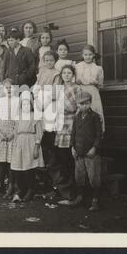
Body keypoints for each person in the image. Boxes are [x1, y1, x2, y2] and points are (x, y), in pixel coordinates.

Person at [70, 90, 102, 211]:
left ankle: (95, 200)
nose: (84, 106)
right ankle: (80, 197)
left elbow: (99, 135)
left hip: (90, 153)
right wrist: (72, 147)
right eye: (81, 104)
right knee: (79, 176)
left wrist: (94, 148)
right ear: (77, 104)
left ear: (90, 103)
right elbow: (73, 133)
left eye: (87, 103)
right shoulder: (76, 117)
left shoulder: (95, 117)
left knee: (93, 177)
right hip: (78, 152)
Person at [51, 65, 80, 199]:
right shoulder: (59, 88)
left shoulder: (76, 88)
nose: (66, 75)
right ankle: (63, 189)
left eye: (69, 73)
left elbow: (77, 107)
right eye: (64, 73)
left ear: (73, 75)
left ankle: (72, 189)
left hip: (71, 122)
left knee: (70, 157)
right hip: (60, 123)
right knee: (61, 157)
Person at [10, 94, 44, 202]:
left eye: (27, 104)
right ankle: (21, 189)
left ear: (31, 105)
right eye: (23, 104)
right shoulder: (18, 116)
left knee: (29, 167)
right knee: (18, 167)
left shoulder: (35, 116)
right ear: (20, 105)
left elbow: (39, 131)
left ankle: (31, 189)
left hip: (30, 142)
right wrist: (13, 140)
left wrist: (37, 145)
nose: (25, 106)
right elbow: (15, 131)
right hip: (19, 142)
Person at [0, 79, 19, 197]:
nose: (8, 90)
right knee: (2, 161)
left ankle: (11, 185)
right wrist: (0, 133)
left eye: (10, 87)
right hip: (1, 134)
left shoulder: (17, 101)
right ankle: (0, 184)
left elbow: (19, 119)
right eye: (6, 88)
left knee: (11, 160)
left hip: (13, 134)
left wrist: (13, 133)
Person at [32, 50, 61, 167]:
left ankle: (52, 157)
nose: (49, 62)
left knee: (49, 127)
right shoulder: (42, 71)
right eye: (47, 60)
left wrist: (45, 103)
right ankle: (40, 157)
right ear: (43, 61)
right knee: (39, 126)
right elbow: (37, 85)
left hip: (50, 102)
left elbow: (55, 91)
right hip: (39, 99)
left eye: (51, 60)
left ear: (55, 61)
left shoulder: (57, 73)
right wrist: (35, 95)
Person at [75, 44, 105, 132]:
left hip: (93, 92)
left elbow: (101, 85)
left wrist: (94, 84)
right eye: (86, 55)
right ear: (82, 55)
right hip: (81, 91)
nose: (88, 57)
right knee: (81, 114)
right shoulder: (77, 67)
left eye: (90, 54)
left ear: (93, 55)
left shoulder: (98, 68)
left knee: (94, 113)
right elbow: (74, 81)